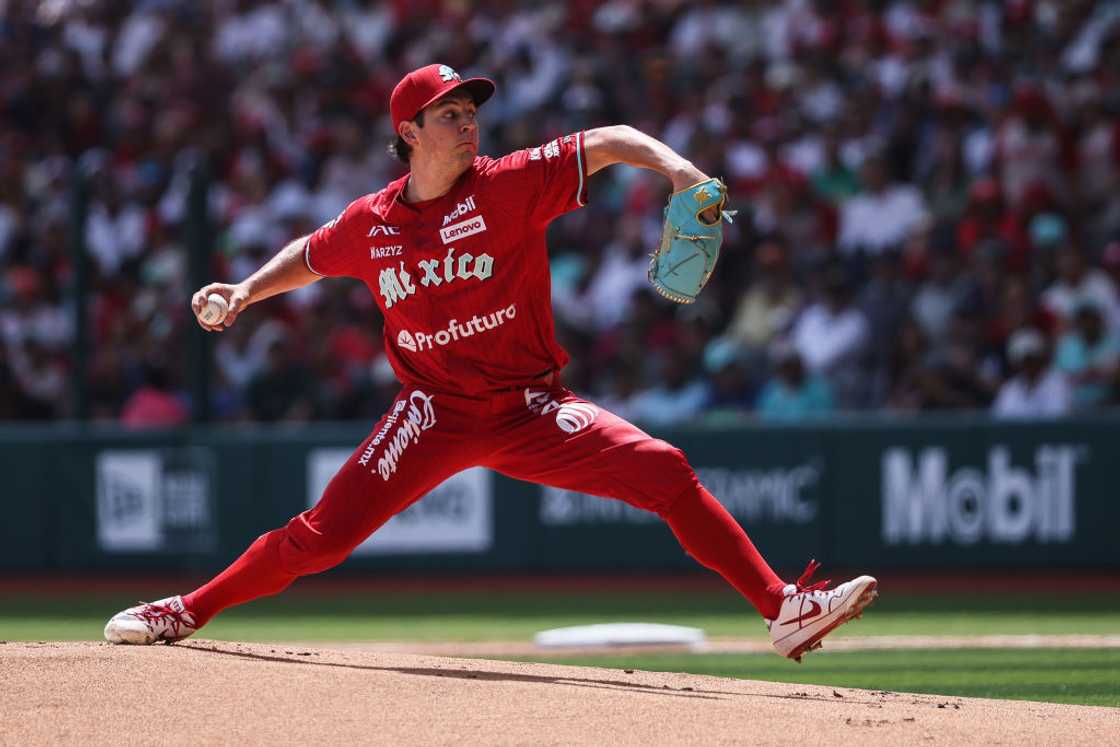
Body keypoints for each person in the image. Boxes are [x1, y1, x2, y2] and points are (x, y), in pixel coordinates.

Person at [104, 64, 876, 661]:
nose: (468, 123)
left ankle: (782, 609)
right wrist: (243, 290)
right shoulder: (368, 224)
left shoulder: (509, 185)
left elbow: (610, 139)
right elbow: (309, 256)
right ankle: (186, 609)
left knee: (666, 470)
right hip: (432, 413)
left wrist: (679, 172)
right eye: (450, 113)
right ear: (410, 130)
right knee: (321, 539)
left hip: (529, 407)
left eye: (472, 111)